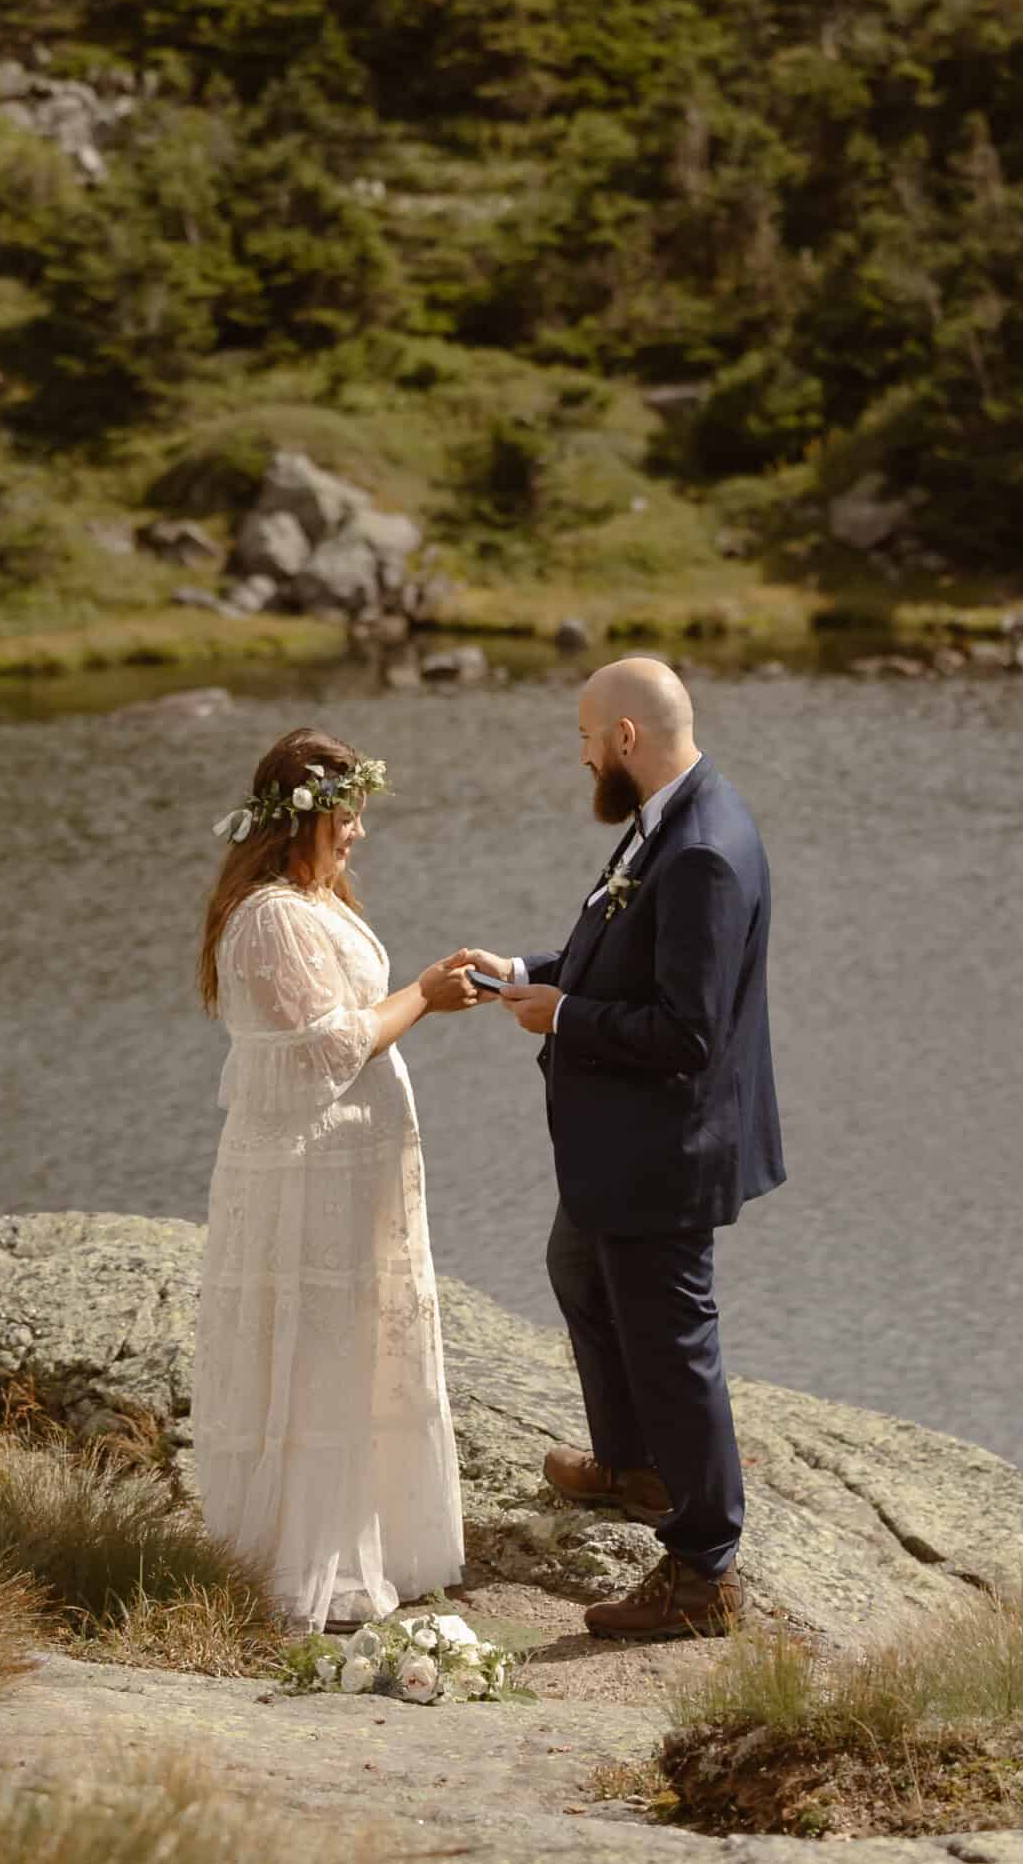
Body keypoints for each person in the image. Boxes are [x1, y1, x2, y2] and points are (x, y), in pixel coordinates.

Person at [454, 656, 784, 1642]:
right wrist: (520, 972)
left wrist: (564, 1018)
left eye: (586, 736)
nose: (583, 752)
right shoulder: (667, 823)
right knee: (575, 1265)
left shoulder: (704, 852)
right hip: (625, 1147)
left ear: (625, 739)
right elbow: (621, 962)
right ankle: (635, 1463)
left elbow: (687, 1034)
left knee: (675, 1343)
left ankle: (702, 1570)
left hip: (666, 1151)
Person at [190, 726, 493, 1630]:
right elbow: (328, 1044)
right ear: (302, 817)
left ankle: (371, 1546)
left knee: (356, 1349)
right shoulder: (272, 915)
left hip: (352, 1161)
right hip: (311, 1169)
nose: (358, 829)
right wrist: (426, 996)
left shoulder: (314, 899)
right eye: (346, 813)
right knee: (318, 1350)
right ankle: (305, 1563)